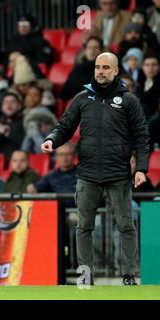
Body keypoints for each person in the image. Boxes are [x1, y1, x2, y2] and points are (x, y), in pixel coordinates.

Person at [41, 52, 150, 286]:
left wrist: (141, 168)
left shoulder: (129, 101)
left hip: (118, 173)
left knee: (125, 226)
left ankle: (130, 275)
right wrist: (52, 139)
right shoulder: (82, 98)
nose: (100, 71)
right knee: (83, 227)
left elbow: (142, 137)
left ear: (116, 71)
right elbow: (64, 126)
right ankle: (85, 276)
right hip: (87, 173)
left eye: (105, 67)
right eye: (98, 67)